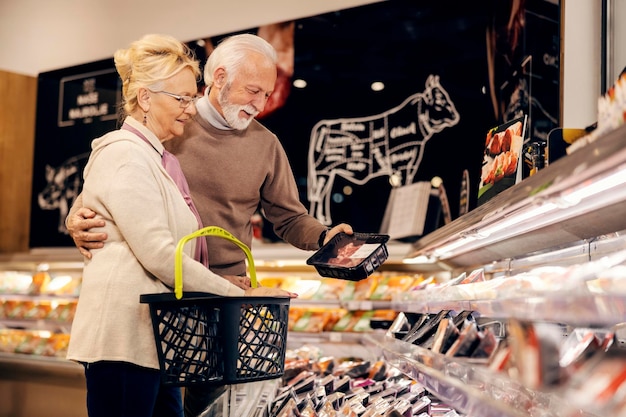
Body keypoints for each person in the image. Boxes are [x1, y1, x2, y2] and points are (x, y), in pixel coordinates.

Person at [67, 33, 352, 416]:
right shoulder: (167, 129)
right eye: (253, 91)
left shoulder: (264, 145)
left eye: (267, 94)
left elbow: (289, 216)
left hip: (223, 305)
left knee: (211, 408)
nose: (260, 104)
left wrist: (323, 235)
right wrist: (78, 211)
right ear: (219, 77)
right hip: (162, 304)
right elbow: (118, 180)